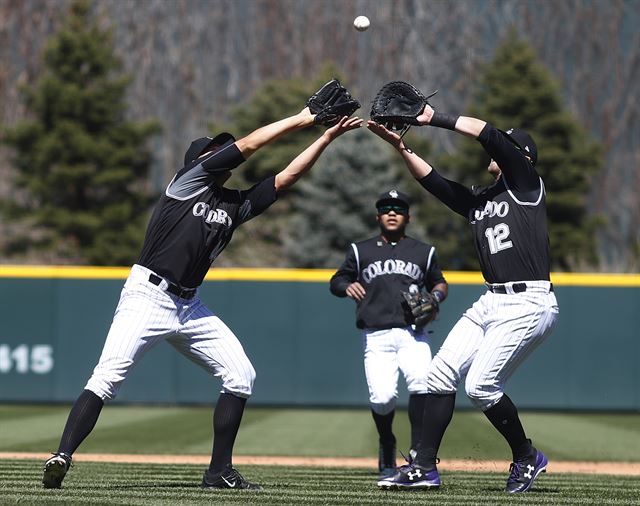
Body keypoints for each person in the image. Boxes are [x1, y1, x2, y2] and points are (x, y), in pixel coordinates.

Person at [41, 105, 362, 490]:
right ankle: (62, 455)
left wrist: (324, 137)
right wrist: (304, 117)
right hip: (147, 296)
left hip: (189, 305)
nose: (222, 152)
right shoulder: (186, 183)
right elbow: (247, 145)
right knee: (108, 376)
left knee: (241, 375)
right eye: (214, 149)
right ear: (199, 160)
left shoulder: (232, 205)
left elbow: (284, 178)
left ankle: (218, 472)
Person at [369, 103, 559, 493]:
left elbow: (488, 134)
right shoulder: (482, 200)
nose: (495, 151)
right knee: (438, 374)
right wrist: (401, 147)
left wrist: (431, 116)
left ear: (521, 157)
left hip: (528, 302)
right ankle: (424, 467)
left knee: (481, 387)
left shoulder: (525, 182)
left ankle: (526, 456)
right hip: (491, 301)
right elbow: (437, 184)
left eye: (507, 146)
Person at [329, 189, 448, 479]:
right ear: (378, 217)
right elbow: (337, 280)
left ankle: (419, 451)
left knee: (422, 385)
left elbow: (440, 283)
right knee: (382, 398)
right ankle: (387, 440)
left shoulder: (424, 251)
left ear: (407, 216)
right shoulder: (361, 250)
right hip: (376, 335)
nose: (392, 213)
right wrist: (345, 286)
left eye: (398, 208)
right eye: (385, 209)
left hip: (413, 334)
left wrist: (434, 297)